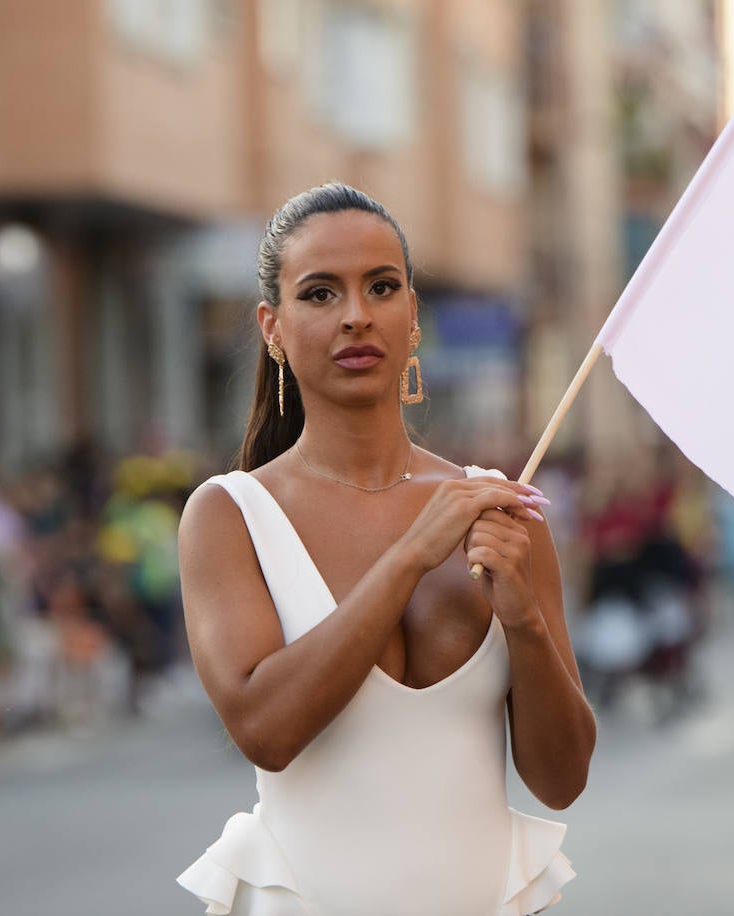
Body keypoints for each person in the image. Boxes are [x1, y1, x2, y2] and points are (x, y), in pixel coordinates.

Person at [176, 183, 595, 916]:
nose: (356, 315)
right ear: (273, 327)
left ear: (414, 317)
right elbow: (265, 731)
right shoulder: (229, 515)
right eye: (320, 293)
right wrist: (410, 555)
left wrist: (524, 621)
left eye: (381, 287)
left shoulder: (500, 513)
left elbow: (561, 780)